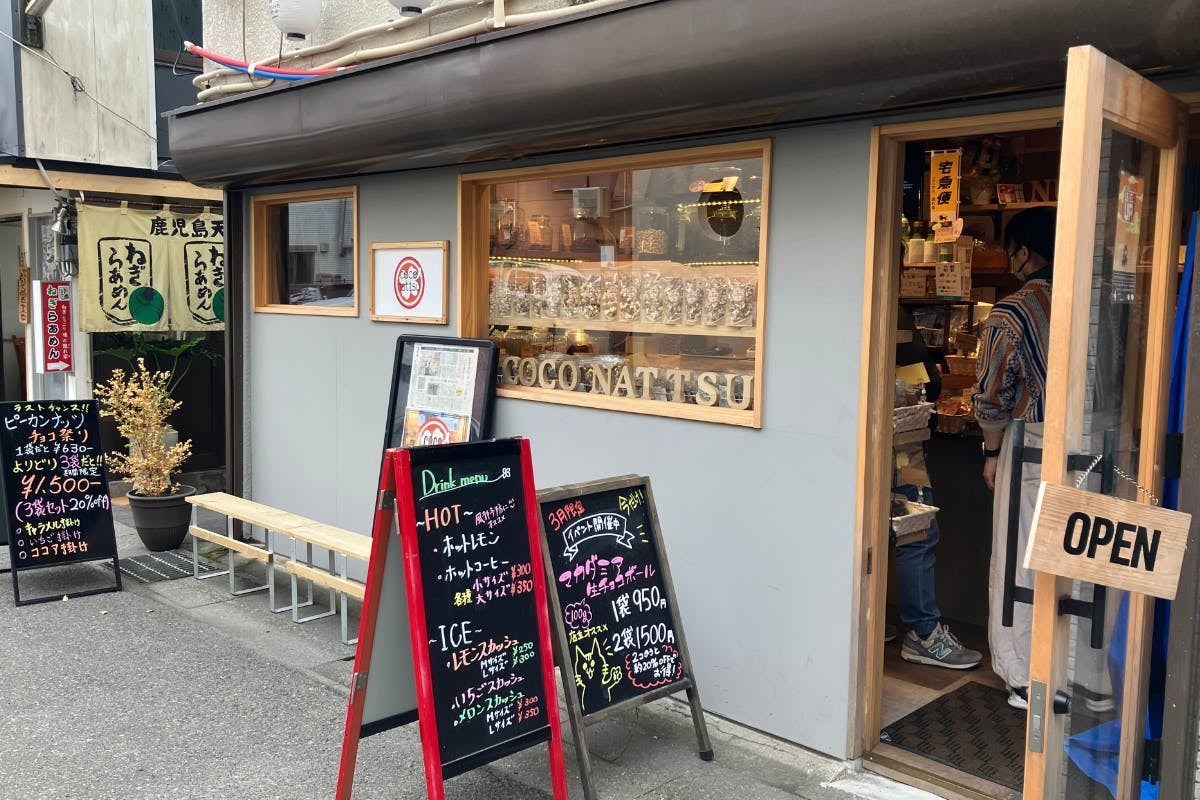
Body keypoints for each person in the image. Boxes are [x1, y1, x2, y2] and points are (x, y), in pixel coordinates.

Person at [892, 305, 982, 669]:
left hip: (866, 447)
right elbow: (925, 382)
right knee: (917, 534)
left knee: (873, 533)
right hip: (901, 447)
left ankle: (866, 617)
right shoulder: (893, 314)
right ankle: (923, 634)